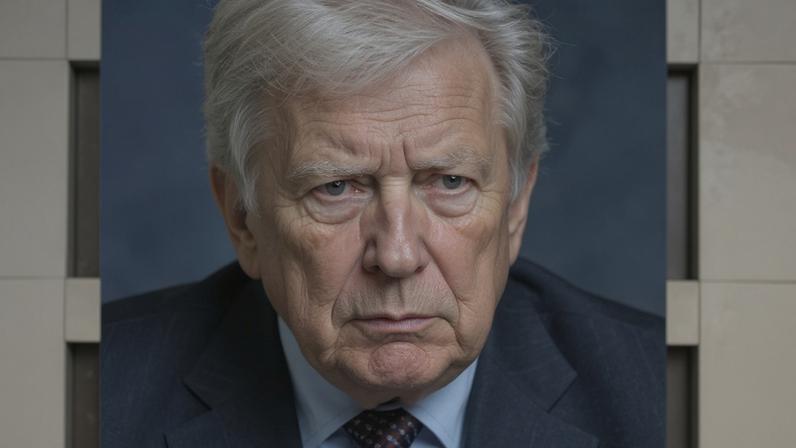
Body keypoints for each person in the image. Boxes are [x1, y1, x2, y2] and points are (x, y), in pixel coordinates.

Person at [102, 1, 664, 447]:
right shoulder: (91, 396)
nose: (396, 256)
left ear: (516, 205)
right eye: (337, 187)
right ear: (242, 217)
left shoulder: (665, 397)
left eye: (449, 182)